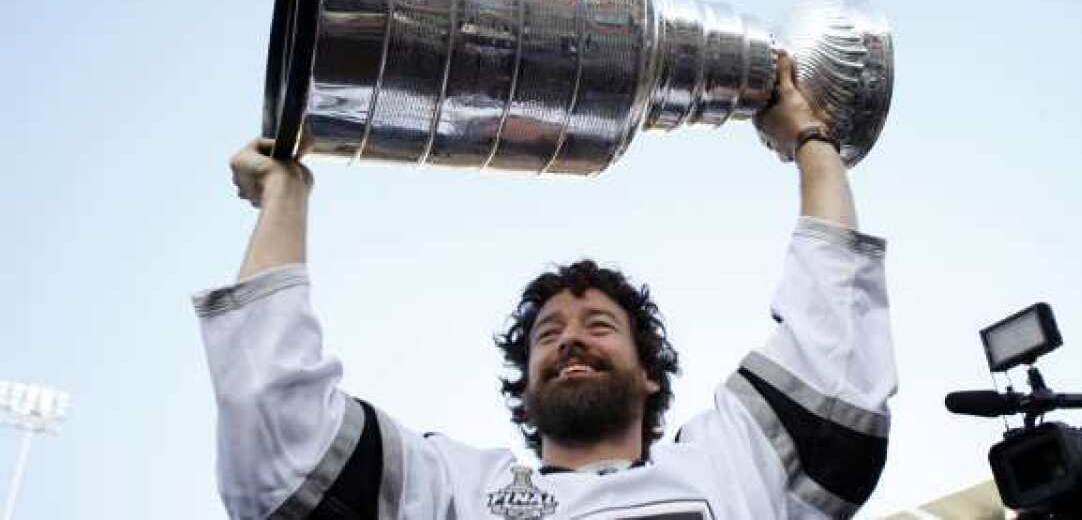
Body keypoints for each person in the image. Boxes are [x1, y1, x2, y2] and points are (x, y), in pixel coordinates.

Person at [195, 54, 897, 519]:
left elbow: (833, 346)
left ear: (649, 373)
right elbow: (281, 443)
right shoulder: (452, 493)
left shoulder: (730, 466)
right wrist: (285, 198)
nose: (569, 341)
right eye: (548, 333)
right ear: (524, 383)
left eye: (597, 324)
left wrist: (809, 140)